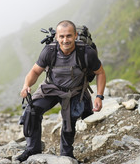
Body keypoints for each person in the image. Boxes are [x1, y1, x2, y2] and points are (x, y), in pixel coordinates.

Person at [16, 20, 106, 162]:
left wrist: (99, 96)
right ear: (57, 37)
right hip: (51, 88)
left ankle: (67, 155)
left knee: (69, 119)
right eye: (62, 36)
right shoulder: (49, 51)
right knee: (32, 110)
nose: (65, 40)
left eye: (69, 36)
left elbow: (100, 73)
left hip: (75, 91)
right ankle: (32, 150)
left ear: (76, 35)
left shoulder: (86, 52)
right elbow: (35, 71)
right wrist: (26, 85)